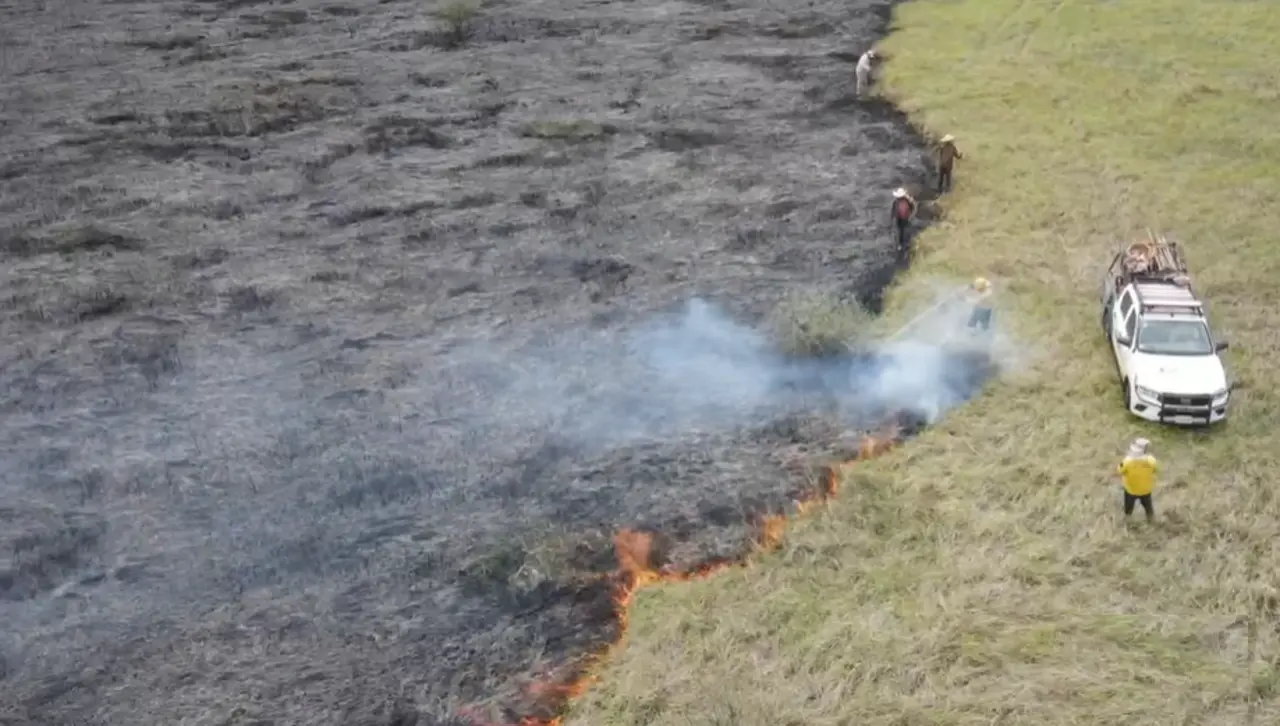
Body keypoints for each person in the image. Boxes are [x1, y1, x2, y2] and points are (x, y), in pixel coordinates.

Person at [1117, 438, 1158, 522]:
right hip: (1146, 490)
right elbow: (1156, 470)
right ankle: (1151, 520)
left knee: (1128, 508)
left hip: (1130, 490)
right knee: (1148, 507)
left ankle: (1128, 521)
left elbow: (1119, 470)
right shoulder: (1152, 461)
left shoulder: (1127, 461)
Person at [890, 187, 916, 253]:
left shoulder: (907, 201)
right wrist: (892, 217)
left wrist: (911, 215)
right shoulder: (896, 202)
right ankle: (901, 244)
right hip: (900, 218)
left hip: (905, 218)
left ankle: (905, 243)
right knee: (901, 231)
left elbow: (913, 207)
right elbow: (893, 210)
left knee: (905, 230)